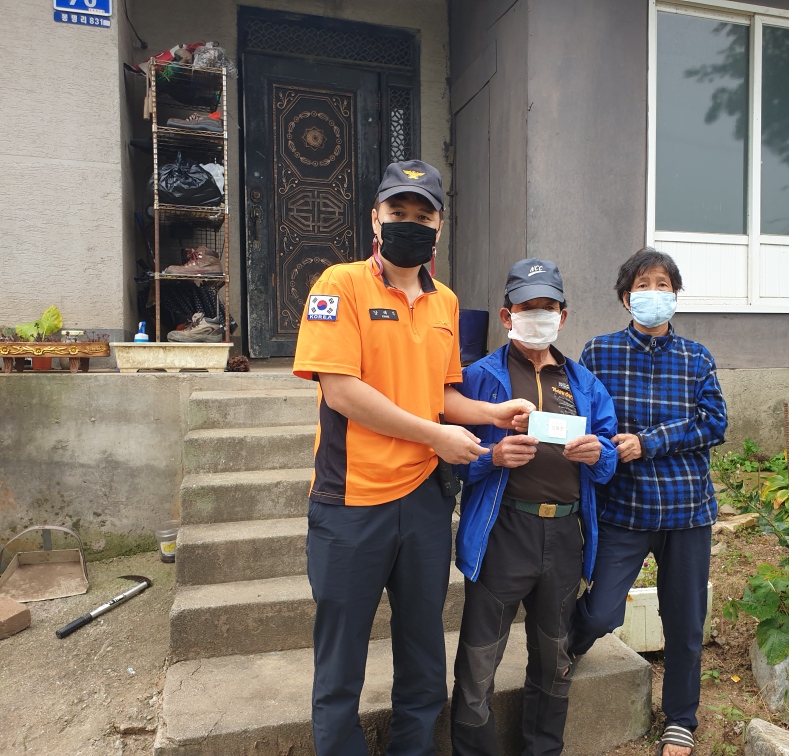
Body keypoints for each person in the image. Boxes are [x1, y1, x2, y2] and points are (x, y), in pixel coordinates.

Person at [292, 160, 535, 756]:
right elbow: (341, 391)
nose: (409, 223)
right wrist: (434, 436)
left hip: (424, 502)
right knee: (340, 664)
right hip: (351, 502)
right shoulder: (339, 285)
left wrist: (493, 411)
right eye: (397, 212)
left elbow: (443, 395)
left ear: (439, 227)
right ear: (376, 219)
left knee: (424, 656)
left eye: (422, 215)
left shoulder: (444, 301)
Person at [450, 258, 618, 756]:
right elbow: (451, 462)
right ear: (507, 315)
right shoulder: (478, 378)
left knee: (554, 660)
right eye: (528, 307)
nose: (538, 316)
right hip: (504, 532)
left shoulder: (584, 383)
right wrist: (492, 456)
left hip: (564, 537)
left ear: (562, 316)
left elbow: (608, 460)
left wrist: (599, 454)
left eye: (548, 307)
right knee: (478, 661)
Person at [569, 248, 728, 756]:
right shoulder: (599, 352)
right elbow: (587, 420)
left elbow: (715, 423)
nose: (654, 293)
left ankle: (680, 718)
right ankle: (568, 647)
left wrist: (649, 442)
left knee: (685, 622)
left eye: (664, 285)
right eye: (643, 285)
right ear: (625, 297)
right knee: (600, 612)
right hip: (625, 508)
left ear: (675, 296)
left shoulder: (697, 358)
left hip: (687, 510)